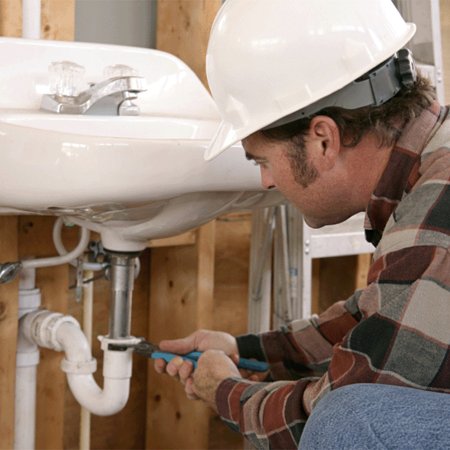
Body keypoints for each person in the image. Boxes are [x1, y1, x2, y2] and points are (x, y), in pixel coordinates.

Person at [154, 0, 450, 448]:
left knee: (347, 421)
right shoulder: (430, 171)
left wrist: (225, 391)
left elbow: (349, 404)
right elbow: (383, 318)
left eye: (264, 160)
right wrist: (245, 350)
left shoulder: (434, 219)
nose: (266, 181)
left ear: (323, 139)